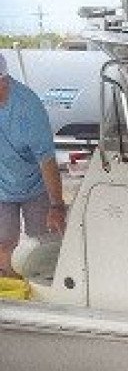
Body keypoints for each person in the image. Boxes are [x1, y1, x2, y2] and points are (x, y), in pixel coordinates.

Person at [0, 52, 67, 277]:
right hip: (2, 188)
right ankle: (12, 292)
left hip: (36, 186)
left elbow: (46, 160)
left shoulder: (28, 106)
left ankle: (41, 291)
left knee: (42, 246)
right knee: (4, 244)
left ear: (2, 79)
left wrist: (57, 206)